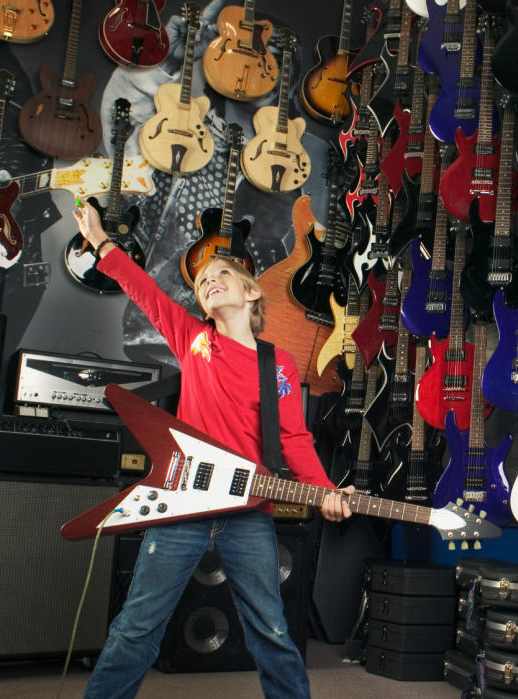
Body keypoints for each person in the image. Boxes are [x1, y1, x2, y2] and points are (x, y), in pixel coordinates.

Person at [71, 202, 353, 699]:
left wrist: (324, 490)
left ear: (250, 291)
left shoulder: (279, 365)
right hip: (182, 507)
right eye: (202, 280)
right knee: (138, 626)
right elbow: (147, 292)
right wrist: (100, 243)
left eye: (222, 272)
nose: (209, 279)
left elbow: (294, 438)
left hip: (249, 513)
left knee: (272, 630)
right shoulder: (194, 339)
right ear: (201, 305)